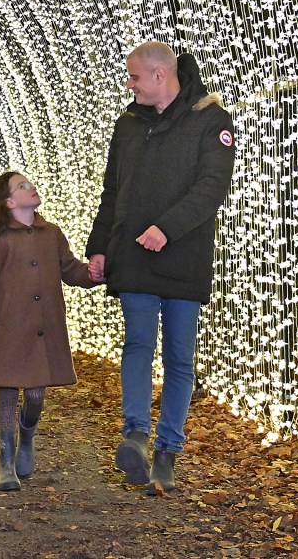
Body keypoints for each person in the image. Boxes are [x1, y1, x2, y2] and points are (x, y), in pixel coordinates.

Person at [85, 42, 234, 495]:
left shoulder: (210, 120)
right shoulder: (127, 126)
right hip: (133, 254)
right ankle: (135, 434)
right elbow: (113, 191)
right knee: (137, 343)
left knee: (179, 358)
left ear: (158, 76)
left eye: (134, 77)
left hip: (184, 258)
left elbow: (212, 188)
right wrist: (99, 246)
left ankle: (168, 449)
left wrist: (166, 229)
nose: (129, 85)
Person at [0, 171, 101, 491]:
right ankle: (6, 461)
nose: (31, 187)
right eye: (22, 186)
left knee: (36, 395)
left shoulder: (51, 233)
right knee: (8, 393)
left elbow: (70, 269)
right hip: (7, 328)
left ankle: (27, 435)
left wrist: (93, 274)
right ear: (9, 202)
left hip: (43, 327)